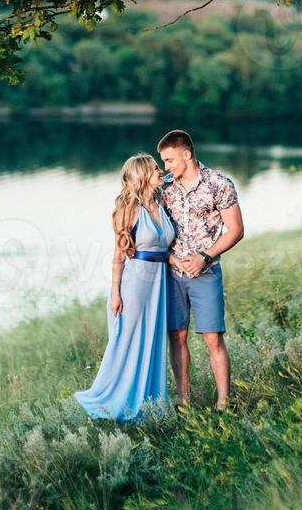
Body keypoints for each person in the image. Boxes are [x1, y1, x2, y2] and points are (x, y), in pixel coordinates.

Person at [73, 153, 176, 422]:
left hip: (159, 283)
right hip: (135, 284)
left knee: (153, 342)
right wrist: (116, 293)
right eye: (155, 169)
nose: (160, 171)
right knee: (128, 343)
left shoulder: (160, 203)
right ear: (142, 175)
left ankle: (150, 402)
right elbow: (119, 256)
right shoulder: (128, 210)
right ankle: (115, 400)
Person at [158, 130, 244, 411]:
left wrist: (204, 257)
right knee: (177, 336)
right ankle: (184, 402)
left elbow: (236, 230)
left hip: (206, 272)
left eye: (169, 160)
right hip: (172, 274)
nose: (166, 166)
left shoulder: (219, 184)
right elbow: (155, 230)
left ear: (186, 153)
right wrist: (172, 260)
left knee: (212, 338)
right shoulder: (165, 187)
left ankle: (223, 403)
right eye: (164, 161)